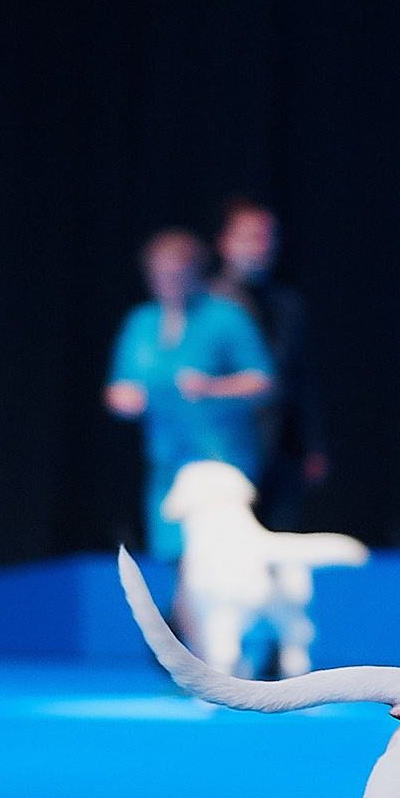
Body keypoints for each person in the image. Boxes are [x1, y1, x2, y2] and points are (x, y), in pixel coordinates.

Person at [104, 229, 275, 564]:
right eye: (159, 275)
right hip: (167, 464)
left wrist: (212, 388)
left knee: (220, 559)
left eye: (175, 275)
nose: (167, 283)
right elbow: (117, 389)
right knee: (172, 559)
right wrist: (127, 400)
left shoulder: (226, 317)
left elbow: (263, 383)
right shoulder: (141, 322)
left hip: (221, 463)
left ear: (195, 272)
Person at [212, 197, 326, 532]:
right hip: (225, 448)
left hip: (279, 452)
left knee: (279, 544)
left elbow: (300, 380)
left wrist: (311, 446)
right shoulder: (208, 306)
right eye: (250, 237)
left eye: (267, 236)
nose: (261, 246)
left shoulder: (287, 306)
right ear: (225, 242)